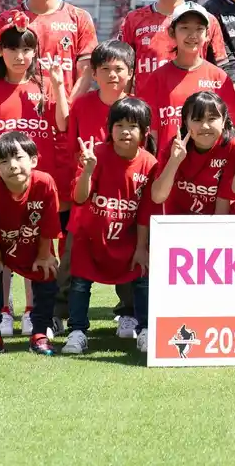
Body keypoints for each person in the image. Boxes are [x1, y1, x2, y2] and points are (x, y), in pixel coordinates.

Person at [0, 12, 70, 336]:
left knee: (36, 245)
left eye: (27, 49)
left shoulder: (45, 88)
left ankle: (32, 310)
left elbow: (63, 124)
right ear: (0, 51)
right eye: (12, 48)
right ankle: (2, 309)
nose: (20, 56)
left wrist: (58, 85)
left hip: (37, 190)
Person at [0, 0, 98, 217]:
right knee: (18, 209)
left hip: (63, 127)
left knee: (64, 207)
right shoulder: (7, 19)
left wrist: (65, 112)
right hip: (21, 125)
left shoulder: (79, 18)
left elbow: (86, 73)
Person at [63, 98, 157, 355]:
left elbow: (145, 210)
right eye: (119, 125)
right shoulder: (95, 155)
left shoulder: (149, 164)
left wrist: (141, 247)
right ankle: (77, 331)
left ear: (144, 131)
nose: (125, 131)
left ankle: (146, 330)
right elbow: (79, 198)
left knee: (142, 279)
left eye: (132, 126)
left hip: (128, 238)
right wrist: (88, 170)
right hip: (90, 236)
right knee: (80, 283)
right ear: (109, 128)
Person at [64, 40, 137, 335]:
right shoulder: (82, 105)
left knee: (129, 255)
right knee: (72, 260)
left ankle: (129, 312)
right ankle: (63, 315)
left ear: (130, 72)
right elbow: (73, 151)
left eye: (119, 68)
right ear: (93, 73)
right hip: (88, 199)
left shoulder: (137, 107)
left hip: (124, 200)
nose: (112, 75)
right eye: (105, 69)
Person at [0, 131, 61, 357]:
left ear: (33, 160)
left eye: (18, 157)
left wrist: (44, 255)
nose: (12, 166)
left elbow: (49, 225)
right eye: (4, 161)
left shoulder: (45, 183)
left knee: (47, 271)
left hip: (35, 246)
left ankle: (40, 333)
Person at [137, 2, 232, 148]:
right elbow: (150, 134)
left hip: (209, 162)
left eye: (199, 29)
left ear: (207, 34)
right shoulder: (157, 78)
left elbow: (230, 129)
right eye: (185, 28)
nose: (192, 35)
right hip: (168, 160)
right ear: (172, 32)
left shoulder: (220, 78)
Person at [150, 91, 235, 216]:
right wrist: (174, 161)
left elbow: (223, 200)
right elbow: (157, 197)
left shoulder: (233, 147)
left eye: (212, 119)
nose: (205, 126)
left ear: (223, 120)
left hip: (214, 221)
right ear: (185, 122)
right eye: (197, 119)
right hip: (177, 220)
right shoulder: (176, 146)